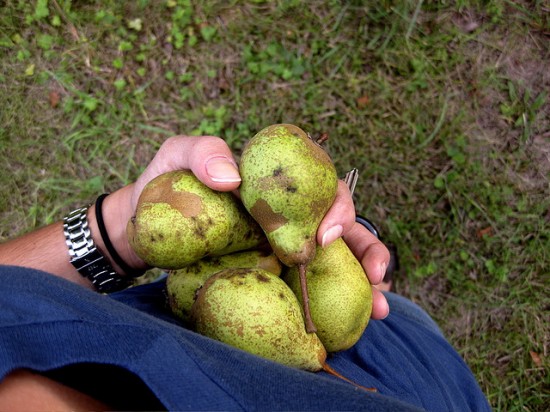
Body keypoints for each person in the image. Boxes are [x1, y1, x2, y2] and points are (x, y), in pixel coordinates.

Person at [0, 136, 490, 411]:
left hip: (199, 302)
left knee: (389, 310)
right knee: (392, 315)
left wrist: (115, 233)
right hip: (406, 379)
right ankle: (367, 281)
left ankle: (344, 269)